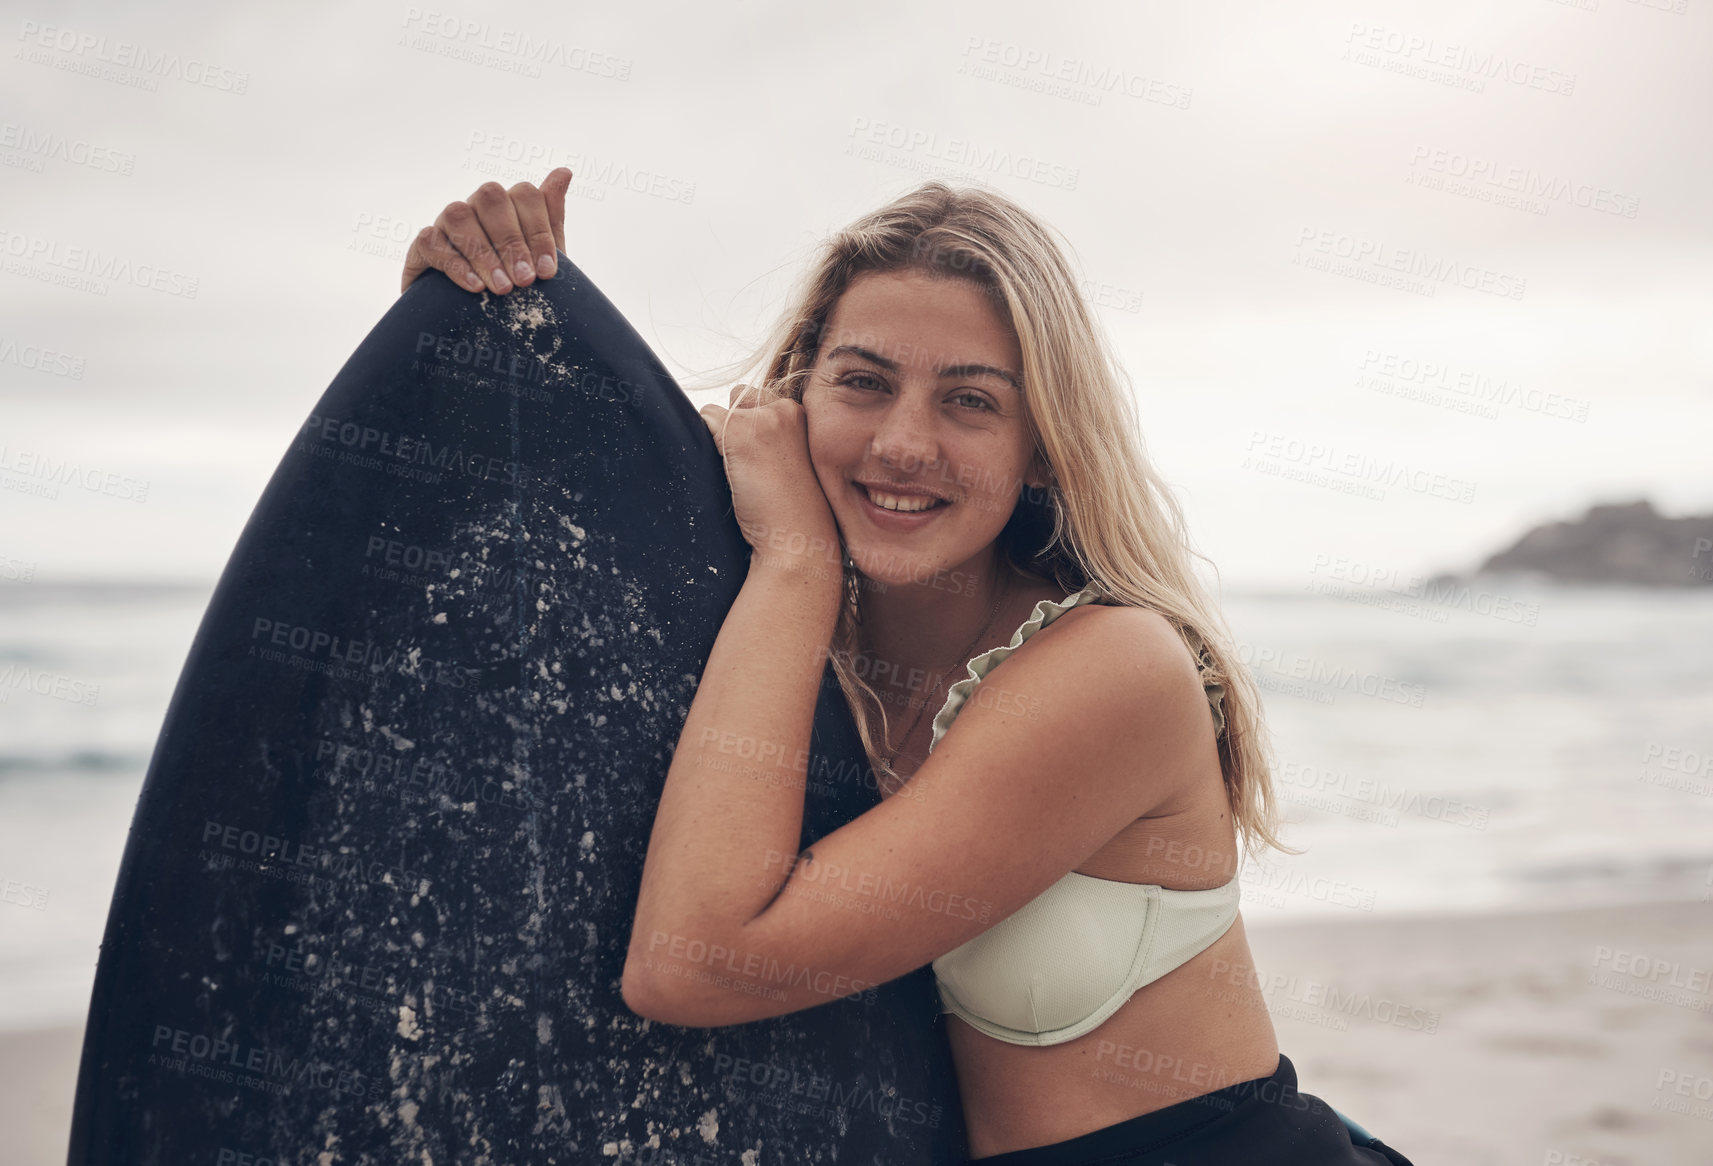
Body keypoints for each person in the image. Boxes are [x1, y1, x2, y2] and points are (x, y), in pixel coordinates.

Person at [404, 169, 1415, 1166]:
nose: (902, 442)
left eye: (970, 401)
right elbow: (499, 618)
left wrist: (798, 563)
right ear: (800, 393)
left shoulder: (1115, 667)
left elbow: (692, 967)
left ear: (1042, 446)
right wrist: (453, 322)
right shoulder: (778, 634)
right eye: (865, 381)